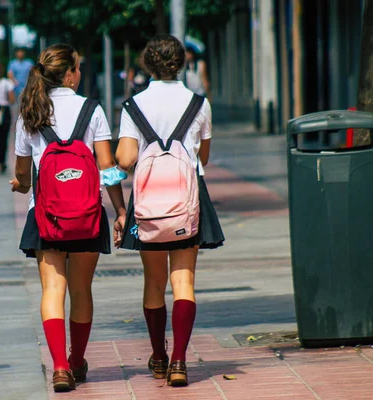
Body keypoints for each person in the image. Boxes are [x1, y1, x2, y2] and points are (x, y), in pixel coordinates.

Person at [10, 44, 126, 392]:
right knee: (81, 289)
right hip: (87, 214)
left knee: (53, 288)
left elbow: (23, 175)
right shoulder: (92, 109)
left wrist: (20, 184)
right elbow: (107, 168)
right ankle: (77, 360)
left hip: (46, 215)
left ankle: (59, 367)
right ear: (72, 73)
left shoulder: (31, 111)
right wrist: (120, 210)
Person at [116, 35, 224, 388]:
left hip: (148, 204)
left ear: (148, 64)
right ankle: (179, 360)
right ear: (182, 63)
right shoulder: (199, 103)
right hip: (187, 200)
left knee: (154, 281)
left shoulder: (133, 105)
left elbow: (126, 159)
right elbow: (202, 157)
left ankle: (158, 357)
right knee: (184, 280)